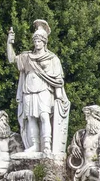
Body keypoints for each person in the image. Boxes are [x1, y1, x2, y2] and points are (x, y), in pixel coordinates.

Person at [7, 20, 70, 157]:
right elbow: (12, 59)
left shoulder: (52, 58)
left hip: (44, 90)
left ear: (44, 42)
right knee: (30, 118)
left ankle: (46, 145)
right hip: (28, 90)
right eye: (35, 41)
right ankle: (35, 145)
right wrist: (9, 43)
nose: (36, 43)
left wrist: (59, 96)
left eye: (39, 41)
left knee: (44, 116)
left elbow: (58, 79)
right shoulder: (27, 56)